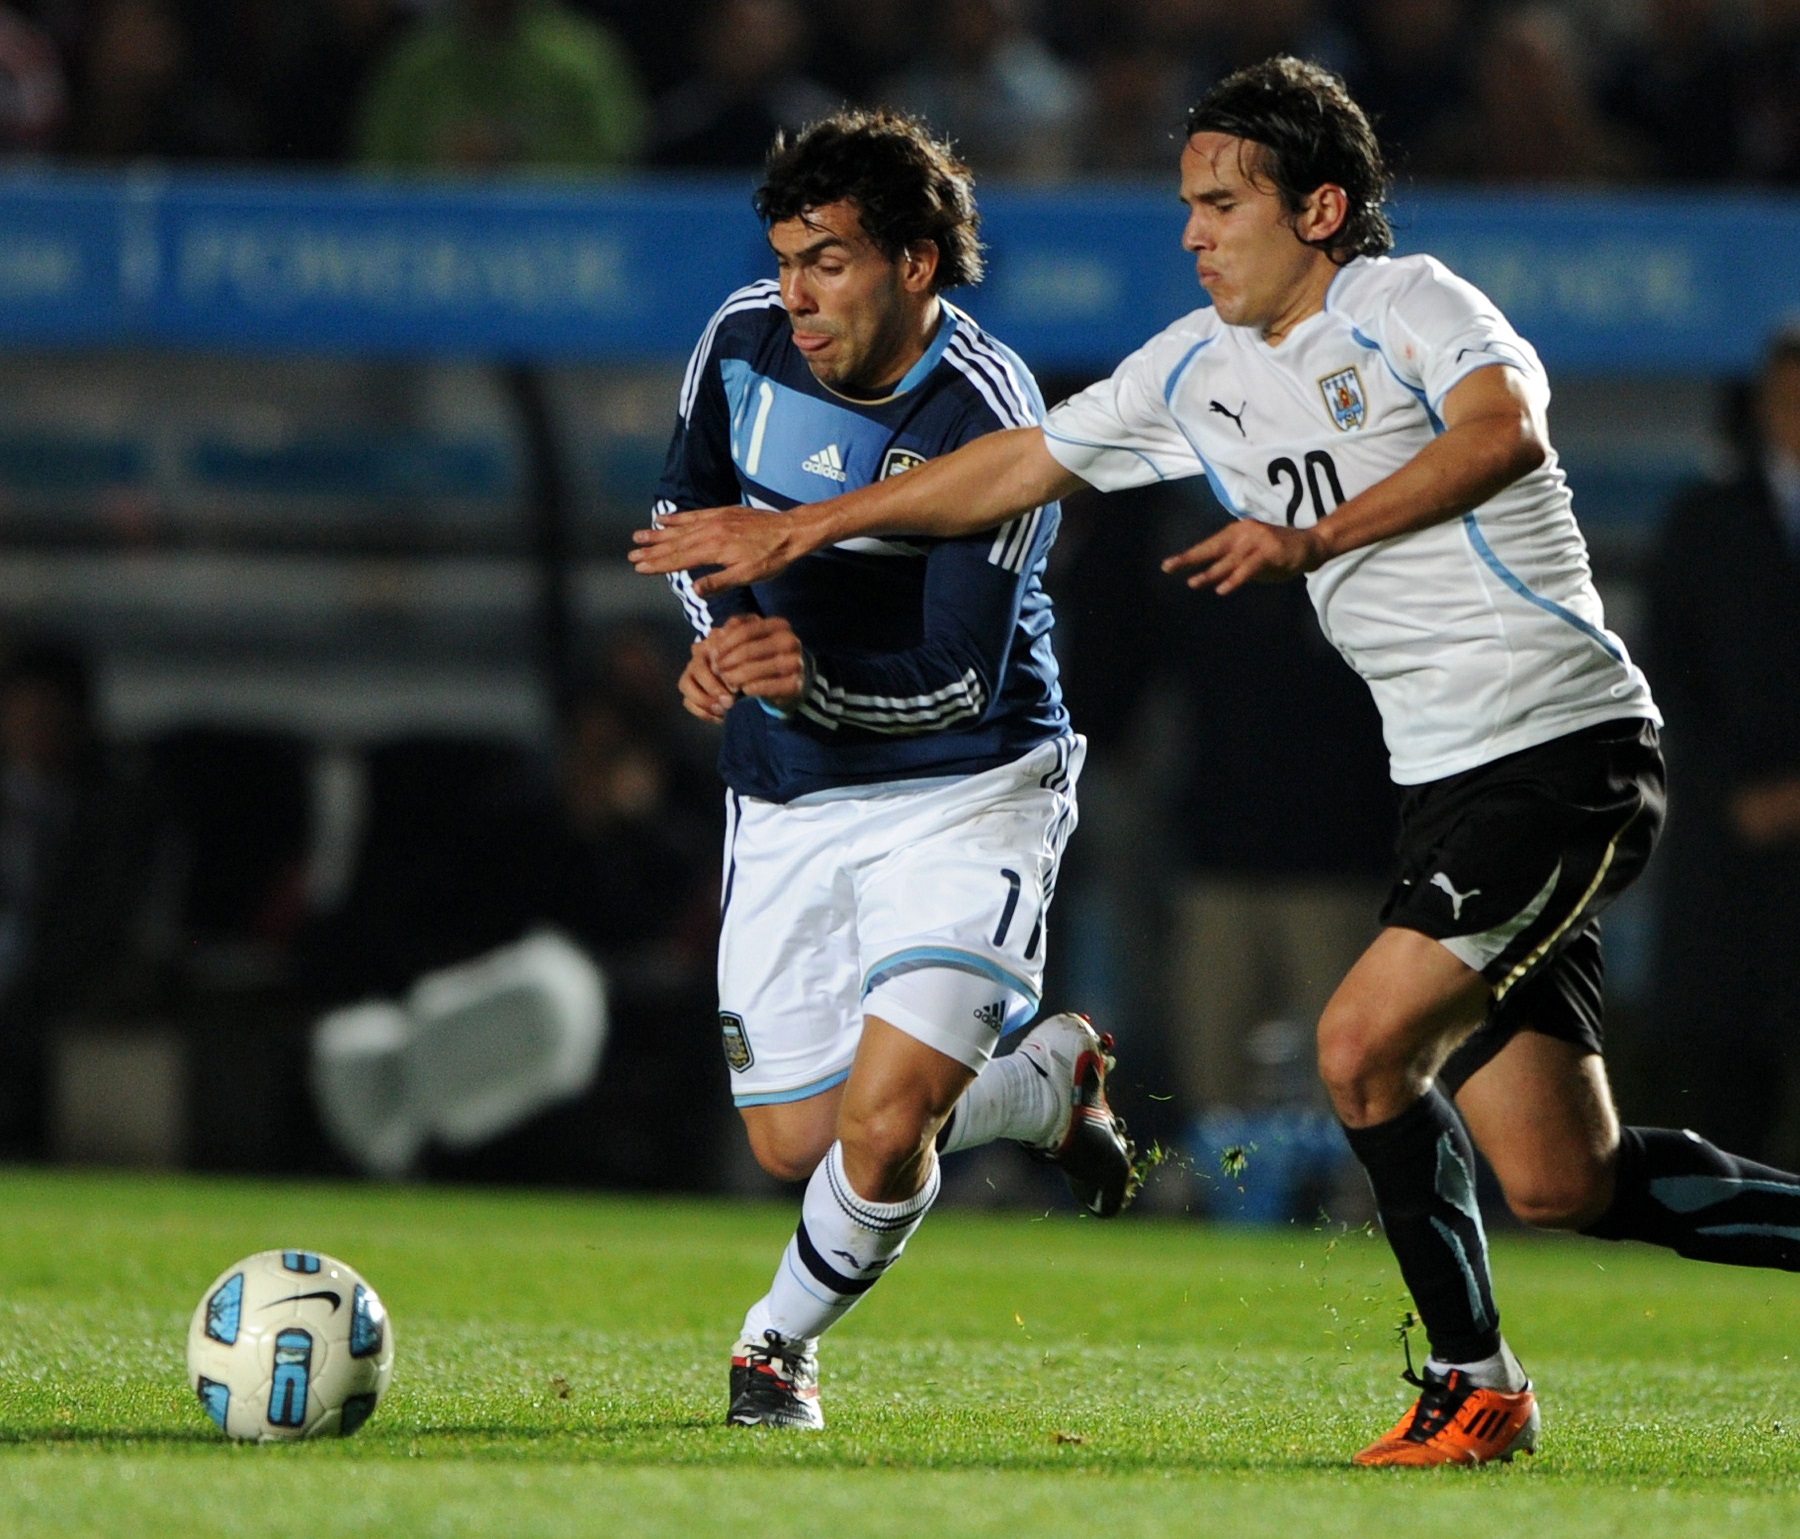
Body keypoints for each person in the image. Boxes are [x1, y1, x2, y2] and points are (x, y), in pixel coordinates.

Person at [632, 56, 1800, 1467]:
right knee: (1566, 1176)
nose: (1193, 232)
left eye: (1222, 201)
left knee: (1360, 1049)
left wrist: (1316, 537)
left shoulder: (1409, 302)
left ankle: (1474, 1384)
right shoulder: (1191, 368)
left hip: (1563, 741)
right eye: (1187, 201)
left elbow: (1509, 431)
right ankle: (1488, 1364)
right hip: (1444, 777)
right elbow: (1014, 467)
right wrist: (800, 532)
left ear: (1319, 208)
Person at [647, 109, 1135, 1431]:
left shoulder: (989, 412)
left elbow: (961, 673)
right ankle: (1041, 1086)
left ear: (917, 262)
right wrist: (723, 643)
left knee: (878, 1125)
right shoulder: (741, 342)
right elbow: (685, 522)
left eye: (831, 260)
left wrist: (798, 668)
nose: (795, 293)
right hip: (788, 792)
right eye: (786, 256)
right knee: (795, 1143)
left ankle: (773, 1349)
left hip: (966, 786)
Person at [1644, 327, 1800, 1161]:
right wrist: (1740, 794)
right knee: (1726, 1096)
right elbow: (1670, 676)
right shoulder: (1704, 520)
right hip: (1731, 858)